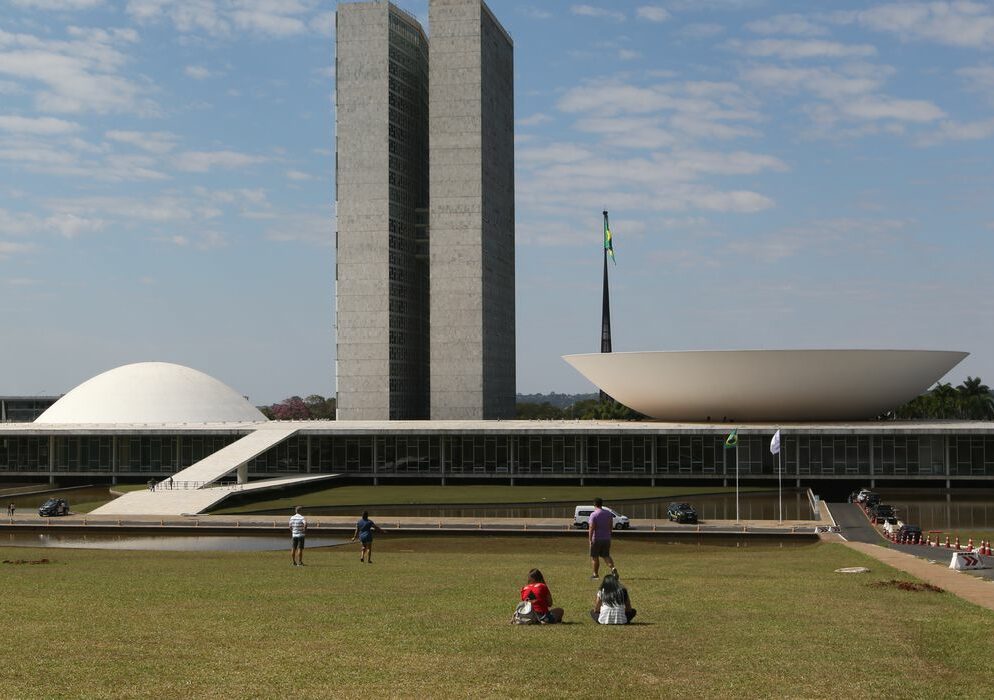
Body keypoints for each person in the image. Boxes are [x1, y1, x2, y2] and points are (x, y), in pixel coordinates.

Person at [588, 497, 618, 579]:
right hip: (606, 538)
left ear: (594, 504)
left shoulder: (593, 514)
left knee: (595, 557)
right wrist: (609, 534)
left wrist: (590, 539)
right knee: (606, 556)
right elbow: (611, 526)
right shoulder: (608, 513)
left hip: (596, 538)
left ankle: (595, 574)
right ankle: (613, 568)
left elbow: (591, 527)